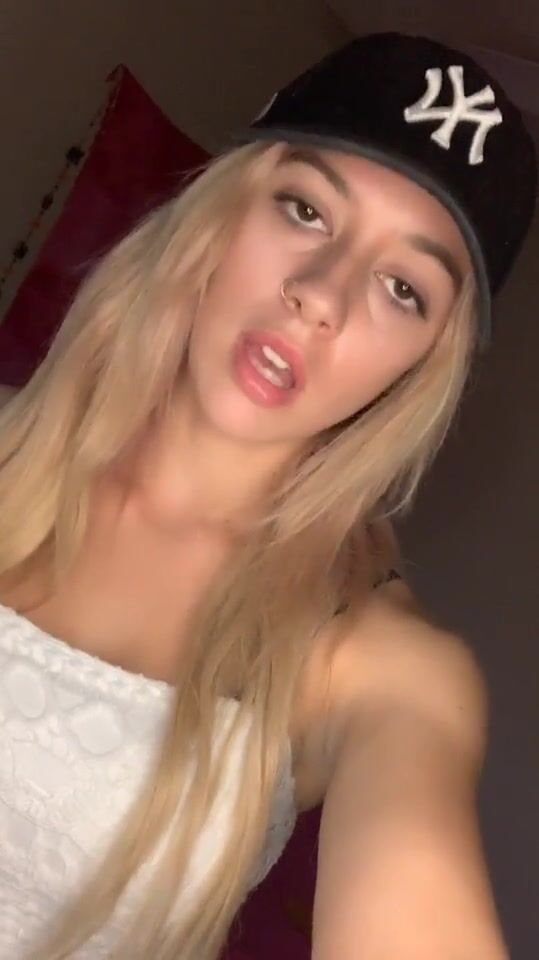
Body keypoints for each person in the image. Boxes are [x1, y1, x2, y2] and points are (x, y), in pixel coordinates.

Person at [0, 31, 535, 960]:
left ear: (420, 369)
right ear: (221, 214)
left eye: (402, 289)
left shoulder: (378, 666)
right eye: (306, 210)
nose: (321, 295)